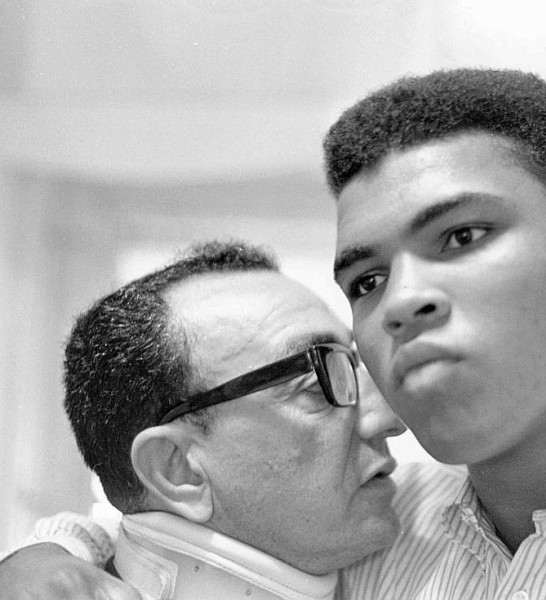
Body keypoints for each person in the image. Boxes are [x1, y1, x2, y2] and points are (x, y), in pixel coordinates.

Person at [5, 68, 546, 598]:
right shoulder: (379, 524)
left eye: (461, 237)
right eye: (366, 280)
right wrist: (53, 554)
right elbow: (164, 523)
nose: (400, 302)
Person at [0, 240, 409, 599]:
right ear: (178, 470)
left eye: (356, 364)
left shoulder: (430, 510)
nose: (388, 418)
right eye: (318, 384)